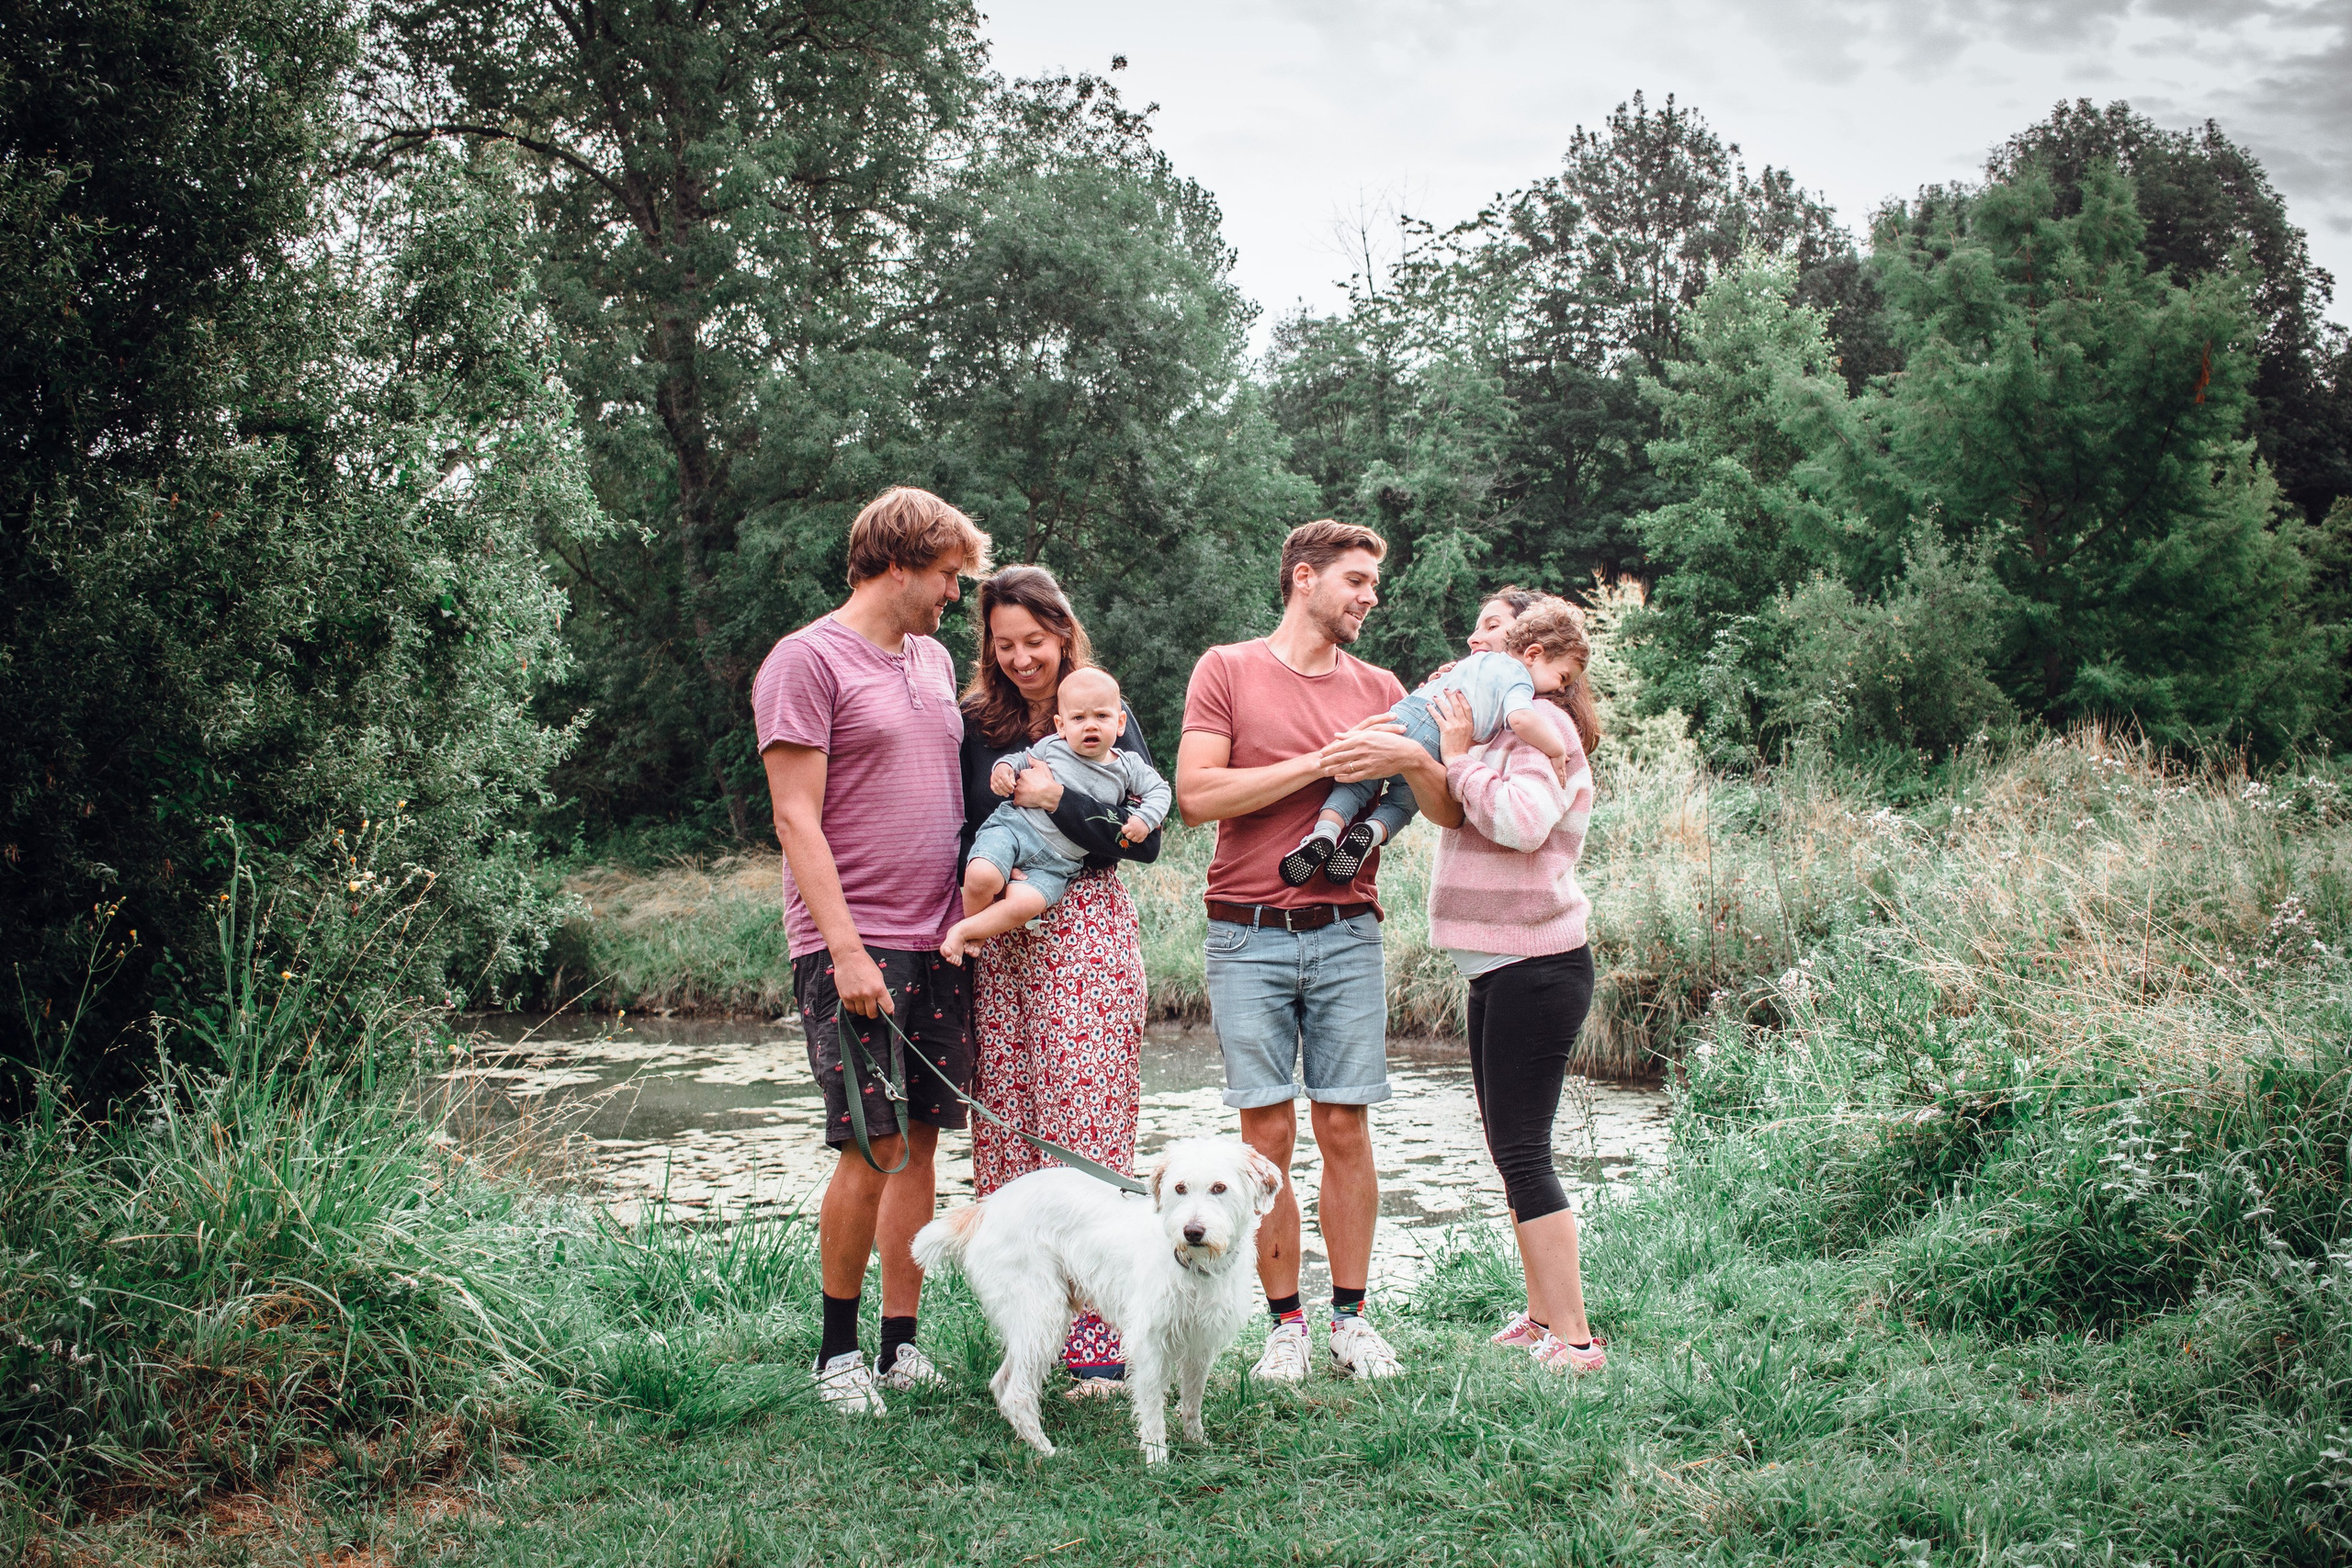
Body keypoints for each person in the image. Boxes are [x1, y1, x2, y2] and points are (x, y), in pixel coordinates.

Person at [1175, 519, 1450, 1382]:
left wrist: (1406, 763)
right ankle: (1284, 1325)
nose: (1373, 595)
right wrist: (1319, 764)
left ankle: (1351, 1321)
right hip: (1246, 932)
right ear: (1304, 577)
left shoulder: (1382, 685)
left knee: (1345, 1125)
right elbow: (1195, 796)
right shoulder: (1227, 668)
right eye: (1359, 580)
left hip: (1345, 934)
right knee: (1266, 1136)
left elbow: (1423, 804)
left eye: (1375, 581)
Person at [752, 485, 992, 1415]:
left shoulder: (930, 660)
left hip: (937, 939)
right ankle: (837, 1356)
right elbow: (793, 818)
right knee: (870, 1143)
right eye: (945, 578)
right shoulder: (804, 662)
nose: (952, 597)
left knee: (921, 1142)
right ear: (897, 564)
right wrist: (846, 952)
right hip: (852, 944)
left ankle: (902, 1346)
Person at [957, 566, 1159, 1393]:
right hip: (1006, 934)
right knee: (1010, 1122)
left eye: (1033, 642)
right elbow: (967, 824)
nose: (1019, 659)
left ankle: (1102, 1347)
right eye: (1003, 645)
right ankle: (1028, 1334)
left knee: (1084, 1121)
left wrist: (1055, 799)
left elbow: (1140, 842)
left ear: (1064, 633)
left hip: (1085, 931)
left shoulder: (1105, 712)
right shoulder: (975, 721)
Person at [1423, 594, 1611, 1374]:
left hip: (1537, 965)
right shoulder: (1507, 729)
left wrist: (1461, 758)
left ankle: (1575, 1340)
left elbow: (1527, 823)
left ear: (1532, 655)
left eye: (1495, 630)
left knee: (1526, 1152)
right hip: (1501, 966)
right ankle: (1541, 1316)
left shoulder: (1542, 731)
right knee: (1510, 1150)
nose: (1478, 641)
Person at [1278, 641, 1577, 889]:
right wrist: (1556, 749)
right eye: (1563, 678)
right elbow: (1521, 719)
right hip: (1437, 740)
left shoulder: (1482, 658)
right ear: (1534, 654)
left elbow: (1449, 678)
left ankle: (1324, 833)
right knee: (1402, 805)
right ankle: (1370, 834)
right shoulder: (1521, 682)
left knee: (1356, 782)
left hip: (1403, 715)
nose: (1562, 689)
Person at [944, 666, 1171, 962]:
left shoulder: (1128, 766)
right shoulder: (1053, 746)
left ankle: (972, 931)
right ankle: (973, 930)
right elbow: (1020, 759)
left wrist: (1145, 818)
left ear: (1120, 723)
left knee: (1026, 903)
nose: (1090, 726)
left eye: (1101, 717)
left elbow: (1161, 791)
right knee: (981, 875)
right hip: (1014, 829)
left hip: (1058, 862)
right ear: (1061, 725)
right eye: (1078, 718)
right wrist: (1003, 769)